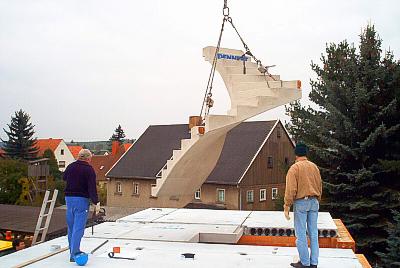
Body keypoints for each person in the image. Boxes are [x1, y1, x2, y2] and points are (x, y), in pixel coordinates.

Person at [284, 142, 322, 268]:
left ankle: (305, 263)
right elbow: (320, 185)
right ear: (306, 153)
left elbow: (291, 189)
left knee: (301, 234)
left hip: (301, 203)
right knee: (314, 233)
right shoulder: (314, 167)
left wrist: (287, 205)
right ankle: (314, 263)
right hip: (314, 202)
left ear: (296, 155)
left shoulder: (294, 168)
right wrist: (317, 199)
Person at [64, 149, 100, 262]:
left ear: (79, 157)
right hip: (81, 200)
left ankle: (72, 250)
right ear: (88, 158)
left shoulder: (70, 166)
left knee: (71, 226)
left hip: (69, 199)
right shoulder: (89, 170)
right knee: (78, 228)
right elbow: (92, 188)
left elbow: (64, 177)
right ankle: (74, 254)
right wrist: (96, 202)